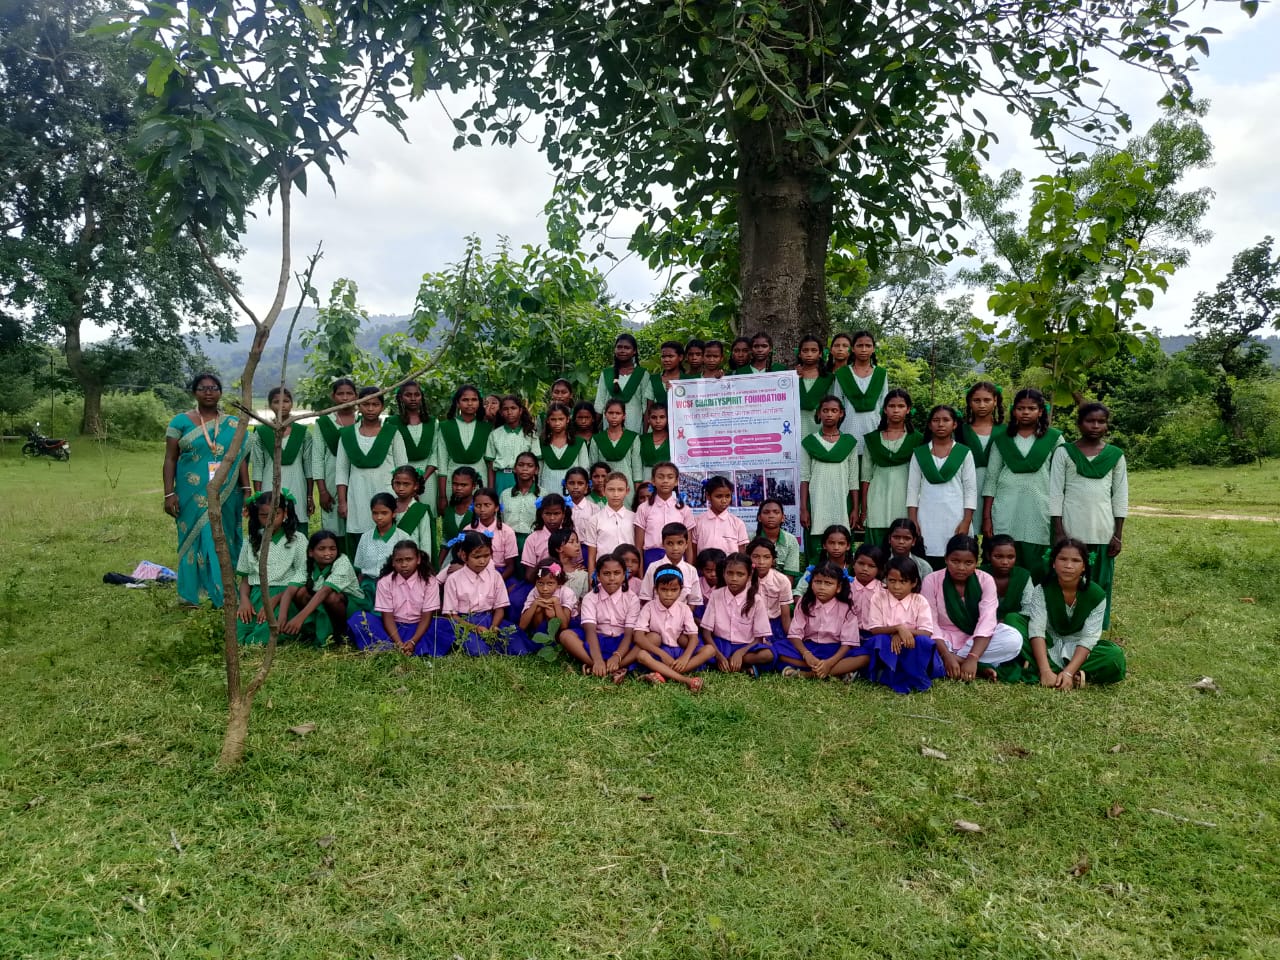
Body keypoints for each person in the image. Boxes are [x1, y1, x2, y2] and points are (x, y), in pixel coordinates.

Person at [163, 373, 251, 608]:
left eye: (214, 388)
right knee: (193, 539)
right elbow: (170, 459)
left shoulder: (233, 424)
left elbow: (240, 459)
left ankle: (223, 594)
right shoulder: (179, 422)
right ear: (194, 392)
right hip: (190, 494)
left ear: (220, 392)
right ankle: (189, 595)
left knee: (222, 537)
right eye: (203, 388)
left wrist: (246, 490)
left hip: (227, 493)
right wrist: (169, 493)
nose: (209, 392)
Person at [1049, 402, 1128, 628]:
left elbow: (1120, 496)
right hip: (1071, 531)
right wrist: (1059, 531)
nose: (1095, 426)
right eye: (1089, 421)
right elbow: (1055, 493)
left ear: (1107, 425)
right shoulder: (1065, 452)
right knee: (1068, 580)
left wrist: (1118, 534)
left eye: (1101, 422)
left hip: (1103, 531)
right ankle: (1065, 626)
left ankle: (1093, 630)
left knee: (1099, 583)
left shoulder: (1115, 455)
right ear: (1079, 424)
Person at [982, 387, 1062, 582]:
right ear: (1014, 410)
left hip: (1039, 509)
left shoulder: (1054, 438)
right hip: (1006, 510)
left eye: (1031, 408)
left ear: (1041, 411)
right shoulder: (1002, 440)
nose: (1026, 412)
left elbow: (1061, 479)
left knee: (1037, 564)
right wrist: (987, 517)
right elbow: (991, 478)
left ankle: (1036, 600)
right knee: (1005, 561)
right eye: (1020, 408)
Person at [1024, 537, 1127, 688]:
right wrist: (1045, 670)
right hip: (1048, 642)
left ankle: (1056, 671)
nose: (1068, 565)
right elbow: (1037, 630)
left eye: (1076, 560)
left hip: (1078, 648)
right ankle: (1055, 671)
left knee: (1113, 655)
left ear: (1084, 565)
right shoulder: (1042, 590)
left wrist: (1068, 673)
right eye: (1062, 559)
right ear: (1053, 563)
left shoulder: (1096, 595)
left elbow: (1089, 638)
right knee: (1014, 621)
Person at [920, 534, 1023, 681]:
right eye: (955, 561)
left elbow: (987, 621)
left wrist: (973, 657)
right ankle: (973, 666)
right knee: (921, 643)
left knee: (1013, 639)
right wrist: (946, 654)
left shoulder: (985, 580)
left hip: (975, 639)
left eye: (968, 562)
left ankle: (956, 662)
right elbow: (930, 623)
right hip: (943, 639)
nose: (961, 568)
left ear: (976, 562)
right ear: (946, 559)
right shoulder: (932, 580)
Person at [336, 386, 407, 556]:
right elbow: (341, 470)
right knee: (360, 536)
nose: (370, 409)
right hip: (357, 495)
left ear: (382, 407)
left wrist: (401, 498)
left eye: (375, 404)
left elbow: (402, 468)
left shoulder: (392, 432)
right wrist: (342, 502)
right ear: (358, 406)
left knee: (388, 538)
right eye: (365, 404)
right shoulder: (347, 434)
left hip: (387, 492)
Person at [907, 405, 976, 568]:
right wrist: (913, 519)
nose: (941, 424)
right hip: (927, 516)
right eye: (936, 420)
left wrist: (966, 521)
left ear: (954, 424)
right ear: (930, 425)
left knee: (955, 557)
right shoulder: (920, 453)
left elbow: (970, 489)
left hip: (956, 516)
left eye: (946, 420)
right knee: (927, 560)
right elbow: (912, 489)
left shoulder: (964, 452)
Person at [347, 541, 446, 656]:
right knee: (358, 618)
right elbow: (387, 617)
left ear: (418, 559)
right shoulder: (385, 582)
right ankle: (394, 647)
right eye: (399, 560)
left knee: (446, 626)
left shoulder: (429, 581)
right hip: (393, 628)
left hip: (420, 627)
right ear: (393, 562)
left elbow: (426, 616)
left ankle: (409, 646)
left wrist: (413, 641)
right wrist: (399, 643)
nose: (404, 564)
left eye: (409, 559)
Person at [235, 490, 307, 645]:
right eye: (263, 515)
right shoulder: (250, 541)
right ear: (257, 516)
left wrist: (276, 599)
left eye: (276, 514)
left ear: (285, 513)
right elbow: (245, 579)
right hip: (257, 594)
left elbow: (304, 574)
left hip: (284, 596)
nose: (270, 520)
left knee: (267, 631)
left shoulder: (298, 539)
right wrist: (244, 600)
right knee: (238, 633)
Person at [776, 561, 869, 679]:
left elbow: (848, 642)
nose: (822, 587)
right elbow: (795, 634)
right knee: (777, 648)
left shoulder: (847, 607)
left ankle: (809, 674)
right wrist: (806, 654)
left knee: (864, 656)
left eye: (828, 583)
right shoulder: (805, 602)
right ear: (811, 583)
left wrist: (830, 662)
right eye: (817, 582)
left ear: (838, 587)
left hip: (835, 649)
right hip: (809, 647)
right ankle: (836, 671)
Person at [863, 556, 941, 693]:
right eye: (892, 581)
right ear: (886, 580)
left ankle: (913, 674)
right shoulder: (879, 597)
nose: (897, 586)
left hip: (911, 647)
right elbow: (875, 629)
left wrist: (904, 633)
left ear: (913, 582)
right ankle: (888, 672)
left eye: (903, 581)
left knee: (924, 641)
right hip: (889, 647)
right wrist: (898, 629)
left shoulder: (919, 601)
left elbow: (927, 631)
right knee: (879, 640)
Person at [559, 553, 640, 680]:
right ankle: (598, 665)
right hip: (596, 641)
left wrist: (617, 656)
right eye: (606, 574)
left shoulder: (632, 598)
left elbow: (629, 634)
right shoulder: (590, 598)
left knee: (648, 640)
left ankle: (615, 666)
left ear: (624, 575)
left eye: (617, 573)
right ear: (598, 576)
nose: (612, 578)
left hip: (622, 642)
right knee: (565, 636)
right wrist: (597, 659)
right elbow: (590, 631)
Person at [633, 564, 713, 691]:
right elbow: (638, 636)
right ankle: (685, 680)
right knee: (642, 655)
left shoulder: (684, 609)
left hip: (680, 651)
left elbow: (693, 638)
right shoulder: (649, 607)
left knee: (710, 650)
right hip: (659, 651)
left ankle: (664, 673)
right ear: (656, 589)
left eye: (674, 590)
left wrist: (685, 657)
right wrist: (662, 654)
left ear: (680, 590)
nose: (669, 594)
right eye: (664, 589)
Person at [859, 389, 921, 547]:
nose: (896, 410)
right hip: (877, 498)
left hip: (904, 499)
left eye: (901, 406)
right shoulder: (872, 439)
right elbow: (866, 477)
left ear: (908, 409)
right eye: (892, 406)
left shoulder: (917, 439)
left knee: (902, 539)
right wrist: (864, 509)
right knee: (875, 549)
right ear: (885, 409)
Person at [282, 530, 364, 647]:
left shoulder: (342, 561)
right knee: (301, 592)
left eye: (332, 549)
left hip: (352, 606)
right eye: (321, 549)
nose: (328, 553)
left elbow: (326, 590)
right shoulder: (308, 563)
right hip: (322, 601)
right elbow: (291, 589)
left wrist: (300, 618)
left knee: (331, 597)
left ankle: (342, 633)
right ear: (311, 552)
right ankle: (314, 631)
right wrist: (282, 617)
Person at [800, 395, 859, 554]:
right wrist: (803, 508)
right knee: (817, 551)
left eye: (834, 410)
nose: (829, 414)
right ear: (819, 413)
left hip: (842, 501)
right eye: (825, 410)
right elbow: (804, 478)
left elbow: (853, 479)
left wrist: (855, 508)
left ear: (841, 414)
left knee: (841, 545)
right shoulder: (809, 442)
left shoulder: (849, 442)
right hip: (816, 502)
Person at [439, 531, 513, 655]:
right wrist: (474, 628)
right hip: (463, 622)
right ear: (464, 556)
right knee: (479, 650)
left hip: (489, 619)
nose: (482, 561)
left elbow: (500, 608)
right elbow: (451, 615)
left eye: (487, 556)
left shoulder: (495, 576)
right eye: (477, 557)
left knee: (515, 645)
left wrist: (494, 626)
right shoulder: (453, 580)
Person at [700, 552, 775, 673]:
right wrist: (719, 656)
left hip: (746, 646)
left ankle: (733, 662)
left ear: (749, 576)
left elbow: (759, 638)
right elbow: (706, 633)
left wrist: (740, 653)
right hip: (721, 644)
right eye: (730, 573)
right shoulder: (716, 595)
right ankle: (737, 666)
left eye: (740, 574)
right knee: (704, 649)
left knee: (767, 655)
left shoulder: (756, 600)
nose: (734, 578)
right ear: (724, 573)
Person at [309, 377, 358, 545]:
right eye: (340, 394)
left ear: (356, 396)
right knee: (333, 527)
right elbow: (317, 458)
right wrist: (322, 491)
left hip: (358, 480)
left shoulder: (363, 421)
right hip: (331, 482)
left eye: (349, 393)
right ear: (333, 396)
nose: (345, 398)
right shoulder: (324, 423)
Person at [250, 386, 313, 517]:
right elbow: (258, 466)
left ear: (291, 404)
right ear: (270, 405)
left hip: (297, 486)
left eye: (286, 401)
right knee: (271, 519)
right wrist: (258, 495)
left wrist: (309, 496)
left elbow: (308, 466)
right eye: (276, 402)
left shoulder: (303, 433)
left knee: (297, 518)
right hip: (269, 486)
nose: (281, 405)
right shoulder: (261, 432)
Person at [980, 533, 1035, 682]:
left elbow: (1028, 610)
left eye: (1011, 557)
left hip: (1013, 629)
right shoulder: (979, 574)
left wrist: (1004, 622)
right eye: (998, 557)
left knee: (1013, 619)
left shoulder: (1023, 576)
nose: (1005, 562)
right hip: (982, 629)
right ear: (988, 555)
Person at [434, 384, 492, 515]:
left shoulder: (487, 427)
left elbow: (490, 463)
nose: (470, 403)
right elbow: (442, 461)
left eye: (474, 400)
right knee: (454, 515)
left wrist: (489, 490)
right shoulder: (445, 427)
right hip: (453, 480)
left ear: (479, 402)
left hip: (480, 478)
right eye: (465, 400)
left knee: (479, 515)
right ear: (457, 403)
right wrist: (442, 496)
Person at [957, 382, 1002, 535]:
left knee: (995, 535)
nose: (982, 405)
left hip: (998, 488)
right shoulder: (960, 430)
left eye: (987, 400)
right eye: (977, 400)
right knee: (968, 534)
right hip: (966, 487)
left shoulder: (1006, 431)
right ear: (970, 402)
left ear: (995, 401)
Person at [832, 330, 887, 456]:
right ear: (853, 348)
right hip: (848, 429)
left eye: (868, 346)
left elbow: (883, 404)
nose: (864, 349)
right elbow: (837, 404)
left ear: (873, 349)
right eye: (859, 345)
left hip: (874, 428)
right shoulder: (842, 374)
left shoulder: (881, 374)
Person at [634, 462, 694, 568]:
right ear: (653, 481)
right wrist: (641, 575)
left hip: (677, 559)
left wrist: (689, 570)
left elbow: (688, 546)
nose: (665, 481)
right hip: (651, 559)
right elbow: (638, 546)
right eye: (660, 477)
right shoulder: (643, 508)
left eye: (670, 477)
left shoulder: (684, 509)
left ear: (676, 481)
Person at [594, 332, 652, 433]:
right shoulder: (607, 374)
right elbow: (600, 404)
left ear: (634, 351)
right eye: (619, 347)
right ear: (615, 349)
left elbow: (646, 408)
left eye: (627, 348)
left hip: (634, 428)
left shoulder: (642, 374)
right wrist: (592, 430)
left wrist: (646, 434)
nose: (622, 350)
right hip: (610, 429)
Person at [637, 522, 702, 606]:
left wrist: (683, 614)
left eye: (680, 543)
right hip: (656, 613)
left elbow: (693, 601)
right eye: (670, 543)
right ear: (663, 544)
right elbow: (646, 598)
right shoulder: (653, 567)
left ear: (686, 544)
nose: (675, 548)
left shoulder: (691, 571)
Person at [516, 560, 578, 648]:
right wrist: (535, 604)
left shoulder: (566, 592)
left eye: (550, 583)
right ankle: (541, 637)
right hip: (542, 625)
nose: (544, 588)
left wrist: (556, 602)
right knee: (538, 609)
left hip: (567, 626)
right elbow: (522, 626)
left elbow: (564, 625)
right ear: (535, 583)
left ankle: (554, 640)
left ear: (559, 583)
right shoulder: (534, 592)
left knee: (550, 613)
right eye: (540, 583)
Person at [486, 394, 537, 495]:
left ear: (520, 411)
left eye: (513, 408)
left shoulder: (530, 434)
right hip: (501, 478)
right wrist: (491, 489)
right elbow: (491, 464)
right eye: (505, 409)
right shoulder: (495, 434)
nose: (509, 412)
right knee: (502, 503)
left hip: (523, 478)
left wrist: (536, 484)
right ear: (501, 412)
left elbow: (536, 462)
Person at [584, 471, 634, 574]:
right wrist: (592, 580)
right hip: (604, 573)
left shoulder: (634, 518)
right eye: (611, 489)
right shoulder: (595, 520)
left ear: (627, 491)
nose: (616, 494)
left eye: (620, 490)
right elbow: (591, 557)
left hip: (630, 572)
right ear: (604, 490)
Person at [353, 492, 401, 596]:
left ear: (394, 513)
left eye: (384, 513)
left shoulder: (402, 538)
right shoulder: (365, 537)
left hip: (393, 585)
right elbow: (360, 569)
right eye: (375, 513)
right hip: (368, 585)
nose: (379, 517)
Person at [389, 380, 436, 487]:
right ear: (401, 397)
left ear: (421, 397)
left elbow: (435, 453)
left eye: (417, 395)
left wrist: (423, 478)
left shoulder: (432, 422)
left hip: (428, 476)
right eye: (408, 395)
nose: (413, 398)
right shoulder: (392, 423)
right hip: (401, 477)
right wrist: (404, 477)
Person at [465, 487, 518, 581]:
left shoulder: (507, 532)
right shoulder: (468, 530)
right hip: (473, 572)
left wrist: (495, 582)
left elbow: (510, 566)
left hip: (501, 574)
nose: (482, 509)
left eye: (487, 505)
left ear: (496, 507)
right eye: (478, 505)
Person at [747, 537, 792, 643]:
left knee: (781, 648)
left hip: (774, 625)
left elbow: (785, 617)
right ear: (748, 557)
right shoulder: (744, 579)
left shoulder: (781, 580)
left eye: (766, 557)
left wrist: (792, 639)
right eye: (756, 557)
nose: (761, 562)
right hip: (748, 624)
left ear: (773, 560)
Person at [792, 524, 854, 598]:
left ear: (848, 546)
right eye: (831, 543)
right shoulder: (816, 563)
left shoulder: (856, 563)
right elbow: (799, 592)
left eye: (841, 543)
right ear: (824, 545)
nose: (836, 547)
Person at [590, 397, 642, 484]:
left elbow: (637, 468)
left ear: (624, 416)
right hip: (603, 485)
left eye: (618, 413)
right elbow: (593, 466)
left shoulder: (633, 437)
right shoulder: (597, 438)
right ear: (605, 414)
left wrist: (637, 487)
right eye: (610, 413)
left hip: (627, 485)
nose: (614, 416)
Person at [694, 475, 749, 557]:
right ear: (708, 496)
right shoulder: (697, 522)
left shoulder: (738, 523)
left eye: (727, 496)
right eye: (719, 496)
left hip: (729, 565)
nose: (724, 501)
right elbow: (694, 552)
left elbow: (741, 555)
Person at [539, 402, 589, 492]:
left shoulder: (579, 442)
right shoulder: (541, 442)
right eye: (553, 419)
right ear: (547, 420)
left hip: (573, 491)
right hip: (546, 489)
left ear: (567, 419)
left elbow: (584, 469)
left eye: (561, 419)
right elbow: (538, 470)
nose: (557, 423)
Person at [499, 451, 540, 559]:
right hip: (508, 542)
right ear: (514, 469)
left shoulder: (543, 494)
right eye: (521, 465)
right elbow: (500, 519)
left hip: (534, 542)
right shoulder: (505, 494)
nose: (525, 469)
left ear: (536, 470)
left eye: (530, 466)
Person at [521, 493, 573, 577]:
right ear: (541, 514)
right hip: (541, 580)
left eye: (556, 513)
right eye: (547, 513)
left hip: (568, 579)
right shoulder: (532, 539)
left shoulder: (571, 536)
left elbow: (577, 563)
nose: (552, 518)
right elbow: (529, 574)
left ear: (563, 514)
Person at [437, 466, 479, 570]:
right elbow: (446, 541)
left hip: (474, 561)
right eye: (455, 484)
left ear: (474, 486)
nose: (458, 488)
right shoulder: (449, 510)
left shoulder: (479, 509)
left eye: (463, 485)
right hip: (450, 559)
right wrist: (437, 566)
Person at [390, 465, 435, 559]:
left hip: (412, 560)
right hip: (391, 559)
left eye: (406, 484)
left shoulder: (420, 510)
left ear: (416, 486)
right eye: (397, 483)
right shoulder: (388, 506)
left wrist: (424, 563)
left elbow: (425, 542)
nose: (401, 488)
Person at [754, 498, 802, 582]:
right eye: (766, 512)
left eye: (776, 512)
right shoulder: (750, 539)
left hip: (782, 585)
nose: (771, 516)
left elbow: (789, 576)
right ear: (759, 518)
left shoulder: (791, 540)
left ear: (783, 518)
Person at [794, 334, 832, 438]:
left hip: (819, 425)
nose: (809, 354)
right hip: (796, 426)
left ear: (820, 354)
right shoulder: (792, 376)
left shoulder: (828, 378)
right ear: (799, 354)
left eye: (814, 350)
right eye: (805, 351)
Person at [849, 542, 886, 626]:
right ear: (854, 564)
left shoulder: (883, 590)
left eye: (871, 566)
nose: (865, 569)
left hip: (875, 632)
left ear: (879, 569)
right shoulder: (846, 587)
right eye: (861, 563)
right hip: (849, 631)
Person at [885, 517, 932, 582]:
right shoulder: (880, 563)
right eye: (896, 537)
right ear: (889, 539)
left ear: (913, 541)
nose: (901, 542)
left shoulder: (923, 566)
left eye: (907, 538)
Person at [550, 528, 591, 601]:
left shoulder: (583, 574)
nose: (577, 545)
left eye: (577, 541)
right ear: (559, 549)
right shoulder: (548, 570)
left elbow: (584, 600)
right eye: (571, 542)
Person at [694, 547, 725, 618]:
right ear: (701, 569)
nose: (713, 574)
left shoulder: (725, 585)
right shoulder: (696, 583)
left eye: (717, 570)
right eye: (708, 570)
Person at [639, 403, 672, 470]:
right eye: (654, 417)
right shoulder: (641, 439)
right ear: (648, 419)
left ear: (668, 419)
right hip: (646, 476)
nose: (658, 421)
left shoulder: (673, 439)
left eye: (662, 417)